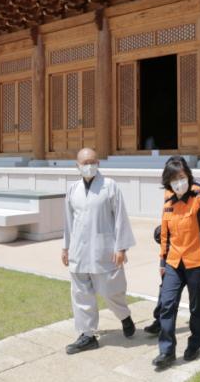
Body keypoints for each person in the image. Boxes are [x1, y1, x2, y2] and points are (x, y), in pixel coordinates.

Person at [62, 147, 137, 355]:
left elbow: (121, 217)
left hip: (105, 249)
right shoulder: (72, 189)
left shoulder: (110, 186)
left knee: (111, 290)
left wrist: (121, 247)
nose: (89, 166)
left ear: (98, 163)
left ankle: (124, 316)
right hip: (78, 250)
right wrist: (65, 247)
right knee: (81, 294)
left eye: (92, 162)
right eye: (85, 163)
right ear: (77, 166)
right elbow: (68, 221)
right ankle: (87, 335)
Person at [153, 157, 200, 369]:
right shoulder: (168, 205)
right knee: (167, 304)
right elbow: (165, 236)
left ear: (188, 177)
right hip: (173, 262)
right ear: (168, 182)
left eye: (181, 177)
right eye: (174, 179)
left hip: (196, 262)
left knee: (197, 307)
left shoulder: (197, 199)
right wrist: (162, 261)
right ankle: (166, 351)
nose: (178, 182)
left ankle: (195, 343)